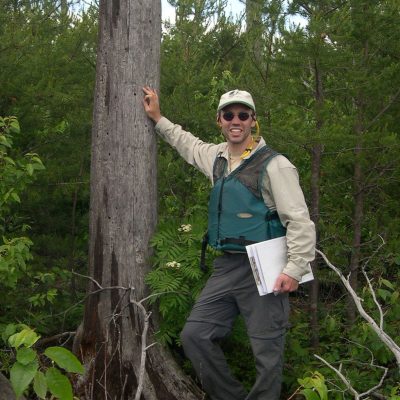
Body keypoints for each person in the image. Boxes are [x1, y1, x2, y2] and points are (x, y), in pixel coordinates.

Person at [142, 87, 316, 400]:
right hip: (227, 265)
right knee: (195, 335)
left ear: (253, 121)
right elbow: (187, 143)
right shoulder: (218, 158)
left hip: (266, 266)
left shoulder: (275, 165)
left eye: (243, 114)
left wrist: (295, 268)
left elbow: (300, 222)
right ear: (220, 120)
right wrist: (158, 118)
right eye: (229, 114)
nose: (236, 120)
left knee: (267, 352)